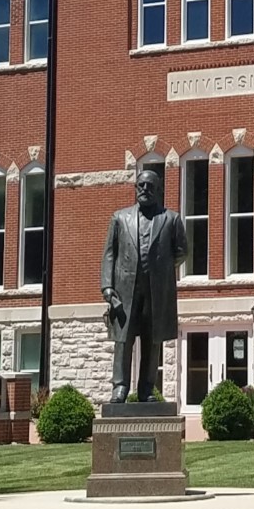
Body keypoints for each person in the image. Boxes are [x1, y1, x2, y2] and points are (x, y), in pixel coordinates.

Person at [101, 168, 188, 403]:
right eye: (141, 185)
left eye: (150, 186)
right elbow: (110, 254)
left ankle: (147, 389)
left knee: (152, 340)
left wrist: (161, 269)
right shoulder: (120, 218)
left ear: (159, 190)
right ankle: (119, 387)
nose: (145, 190)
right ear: (135, 188)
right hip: (125, 290)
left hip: (156, 291)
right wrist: (107, 287)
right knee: (123, 340)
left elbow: (181, 252)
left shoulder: (171, 219)